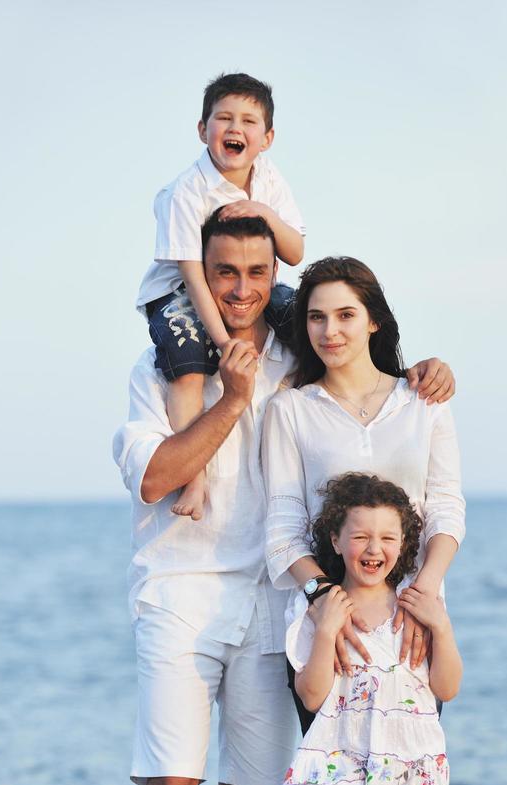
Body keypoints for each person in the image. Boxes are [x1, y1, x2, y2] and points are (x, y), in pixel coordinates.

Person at [113, 213, 455, 785]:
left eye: (256, 273)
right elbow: (156, 479)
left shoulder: (299, 351)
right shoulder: (165, 366)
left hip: (275, 603)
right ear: (199, 275)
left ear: (276, 281)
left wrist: (426, 370)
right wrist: (232, 399)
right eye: (222, 272)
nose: (240, 289)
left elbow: (364, 366)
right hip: (183, 587)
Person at [259, 255, 466, 785]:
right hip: (329, 632)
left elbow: (446, 506)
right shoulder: (290, 409)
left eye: (346, 314)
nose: (329, 329)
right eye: (316, 316)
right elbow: (282, 528)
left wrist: (428, 594)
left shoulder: (425, 399)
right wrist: (326, 605)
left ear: (373, 318)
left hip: (410, 631)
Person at [230, 473, 463, 785]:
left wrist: (442, 627)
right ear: (335, 540)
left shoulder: (419, 606)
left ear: (404, 546)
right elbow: (311, 694)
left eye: (386, 537)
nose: (373, 548)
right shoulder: (318, 608)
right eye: (359, 536)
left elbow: (446, 687)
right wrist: (328, 629)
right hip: (336, 763)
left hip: (410, 768)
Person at [136, 71, 304, 521]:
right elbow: (193, 276)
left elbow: (294, 251)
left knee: (307, 318)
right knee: (188, 361)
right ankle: (195, 474)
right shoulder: (186, 192)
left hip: (241, 286)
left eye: (249, 121)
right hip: (178, 292)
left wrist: (264, 212)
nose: (235, 128)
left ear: (267, 138)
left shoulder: (269, 180)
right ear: (201, 129)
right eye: (223, 118)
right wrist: (226, 342)